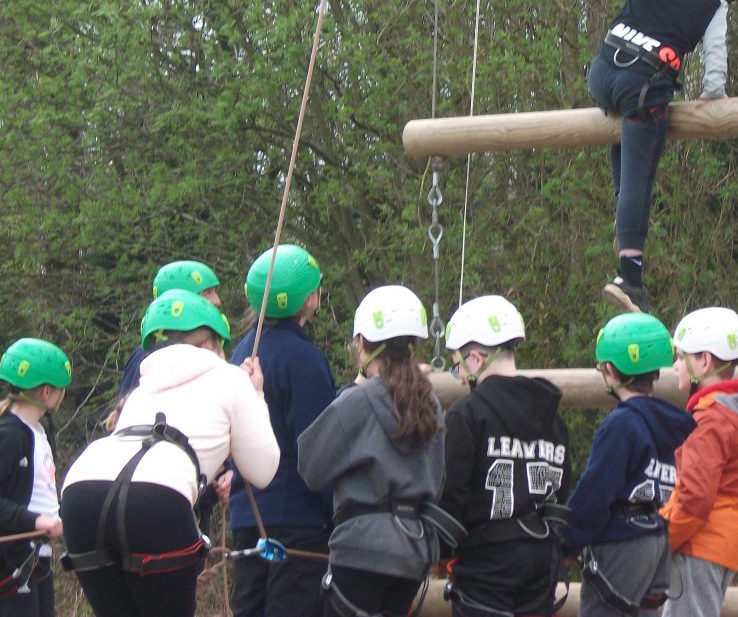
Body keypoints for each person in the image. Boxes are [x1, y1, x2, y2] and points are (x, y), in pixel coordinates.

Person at [588, 0, 738, 314]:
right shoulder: (714, 4)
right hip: (642, 87)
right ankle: (629, 275)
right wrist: (712, 98)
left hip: (602, 73)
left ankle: (625, 233)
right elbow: (715, 67)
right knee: (640, 173)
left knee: (628, 165)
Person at [61, 291, 279, 617]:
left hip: (82, 489)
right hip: (156, 498)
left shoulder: (141, 389)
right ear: (211, 344)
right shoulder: (232, 378)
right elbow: (263, 471)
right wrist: (257, 395)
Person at [298, 285, 446, 617]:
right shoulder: (431, 404)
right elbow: (437, 480)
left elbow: (311, 466)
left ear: (363, 344)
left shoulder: (358, 401)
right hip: (413, 550)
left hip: (361, 548)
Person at [439, 295, 571, 617]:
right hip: (540, 558)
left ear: (475, 359)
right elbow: (562, 490)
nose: (459, 377)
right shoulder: (553, 418)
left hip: (485, 564)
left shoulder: (467, 414)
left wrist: (439, 551)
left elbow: (451, 494)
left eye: (457, 366)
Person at [227, 244, 337, 617]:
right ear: (310, 299)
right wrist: (336, 514)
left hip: (248, 515)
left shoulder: (241, 353)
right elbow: (317, 452)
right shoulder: (304, 360)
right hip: (298, 522)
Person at [561, 313, 695, 617]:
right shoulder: (663, 422)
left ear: (610, 370)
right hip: (655, 537)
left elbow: (595, 493)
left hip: (622, 542)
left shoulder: (621, 425)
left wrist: (564, 542)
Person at [660, 307, 738, 617]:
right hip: (722, 546)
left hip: (697, 544)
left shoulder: (710, 421)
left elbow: (694, 498)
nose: (675, 365)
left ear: (704, 362)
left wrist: (662, 540)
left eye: (681, 357)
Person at [0, 339, 70, 617]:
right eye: (61, 388)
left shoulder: (39, 433)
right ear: (47, 392)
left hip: (36, 557)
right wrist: (36, 521)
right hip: (10, 560)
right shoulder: (8, 435)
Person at [119, 260, 223, 397]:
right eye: (207, 293)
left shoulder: (208, 344)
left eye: (215, 292)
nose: (217, 301)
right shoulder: (147, 356)